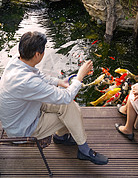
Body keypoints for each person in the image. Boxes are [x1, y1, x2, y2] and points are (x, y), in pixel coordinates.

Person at [0, 31, 108, 165]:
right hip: (23, 129)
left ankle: (63, 138)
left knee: (70, 107)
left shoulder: (17, 60)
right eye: (43, 51)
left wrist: (58, 82)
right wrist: (80, 76)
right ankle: (83, 150)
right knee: (70, 115)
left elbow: (37, 74)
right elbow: (66, 96)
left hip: (25, 111)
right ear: (37, 54)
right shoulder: (27, 81)